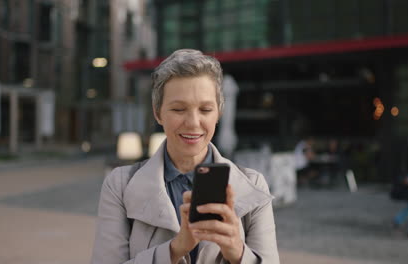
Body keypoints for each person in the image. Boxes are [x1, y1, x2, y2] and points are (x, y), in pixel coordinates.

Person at [91, 49, 279, 264]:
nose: (193, 122)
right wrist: (175, 248)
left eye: (205, 109)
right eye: (179, 109)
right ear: (157, 112)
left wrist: (238, 252)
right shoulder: (120, 185)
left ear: (219, 112)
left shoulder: (253, 185)